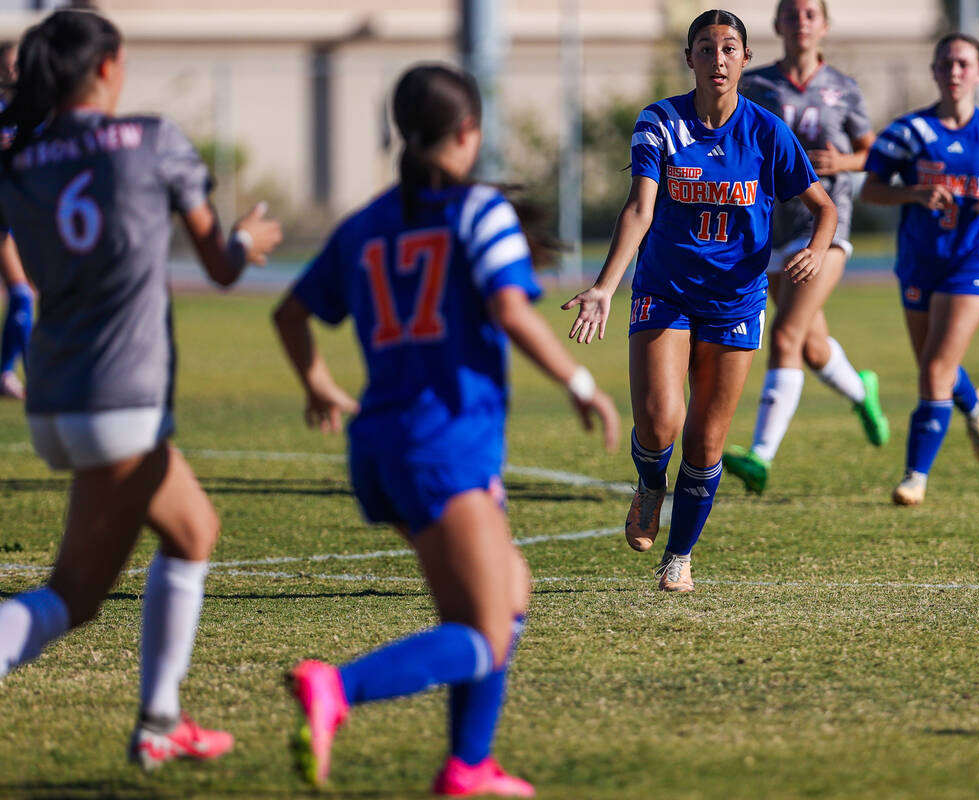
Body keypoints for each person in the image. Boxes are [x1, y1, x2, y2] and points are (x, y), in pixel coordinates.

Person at [274, 64, 619, 797]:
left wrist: (316, 381)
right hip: (442, 445)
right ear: (468, 133)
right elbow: (511, 310)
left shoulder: (366, 222)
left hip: (382, 447)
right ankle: (337, 688)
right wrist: (581, 383)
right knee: (485, 632)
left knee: (509, 594)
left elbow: (289, 314)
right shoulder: (476, 211)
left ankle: (468, 765)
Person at [0, 9, 282, 770]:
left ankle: (161, 720)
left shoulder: (18, 156)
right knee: (72, 598)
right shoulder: (154, 139)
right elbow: (220, 268)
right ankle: (158, 722)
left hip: (55, 396)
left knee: (192, 529)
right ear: (107, 67)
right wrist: (247, 243)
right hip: (117, 402)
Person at [564, 9, 835, 591]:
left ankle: (680, 557)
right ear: (689, 59)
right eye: (706, 48)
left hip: (736, 302)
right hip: (665, 293)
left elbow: (825, 207)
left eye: (729, 48)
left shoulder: (767, 131)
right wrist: (604, 288)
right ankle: (648, 483)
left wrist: (816, 248)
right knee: (661, 424)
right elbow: (639, 209)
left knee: (707, 441)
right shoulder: (660, 123)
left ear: (744, 59)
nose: (718, 58)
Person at [860, 33, 979, 506]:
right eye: (946, 64)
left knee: (936, 368)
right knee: (933, 367)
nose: (955, 71)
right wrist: (914, 194)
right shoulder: (909, 131)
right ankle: (975, 403)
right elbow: (872, 190)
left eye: (964, 63)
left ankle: (914, 478)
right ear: (934, 72)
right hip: (920, 260)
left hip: (973, 260)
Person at [724, 0, 889, 494]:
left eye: (810, 14)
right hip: (769, 232)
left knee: (783, 336)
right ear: (777, 26)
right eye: (792, 15)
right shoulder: (756, 87)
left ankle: (760, 456)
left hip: (825, 228)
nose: (801, 22)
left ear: (824, 25)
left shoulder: (843, 89)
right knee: (812, 346)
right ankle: (863, 392)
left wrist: (843, 162)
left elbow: (873, 155)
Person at [0, 41, 34, 399]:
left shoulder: (33, 115)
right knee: (23, 295)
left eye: (18, 66)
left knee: (23, 295)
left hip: (15, 219)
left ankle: (9, 372)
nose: (13, 72)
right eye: (8, 65)